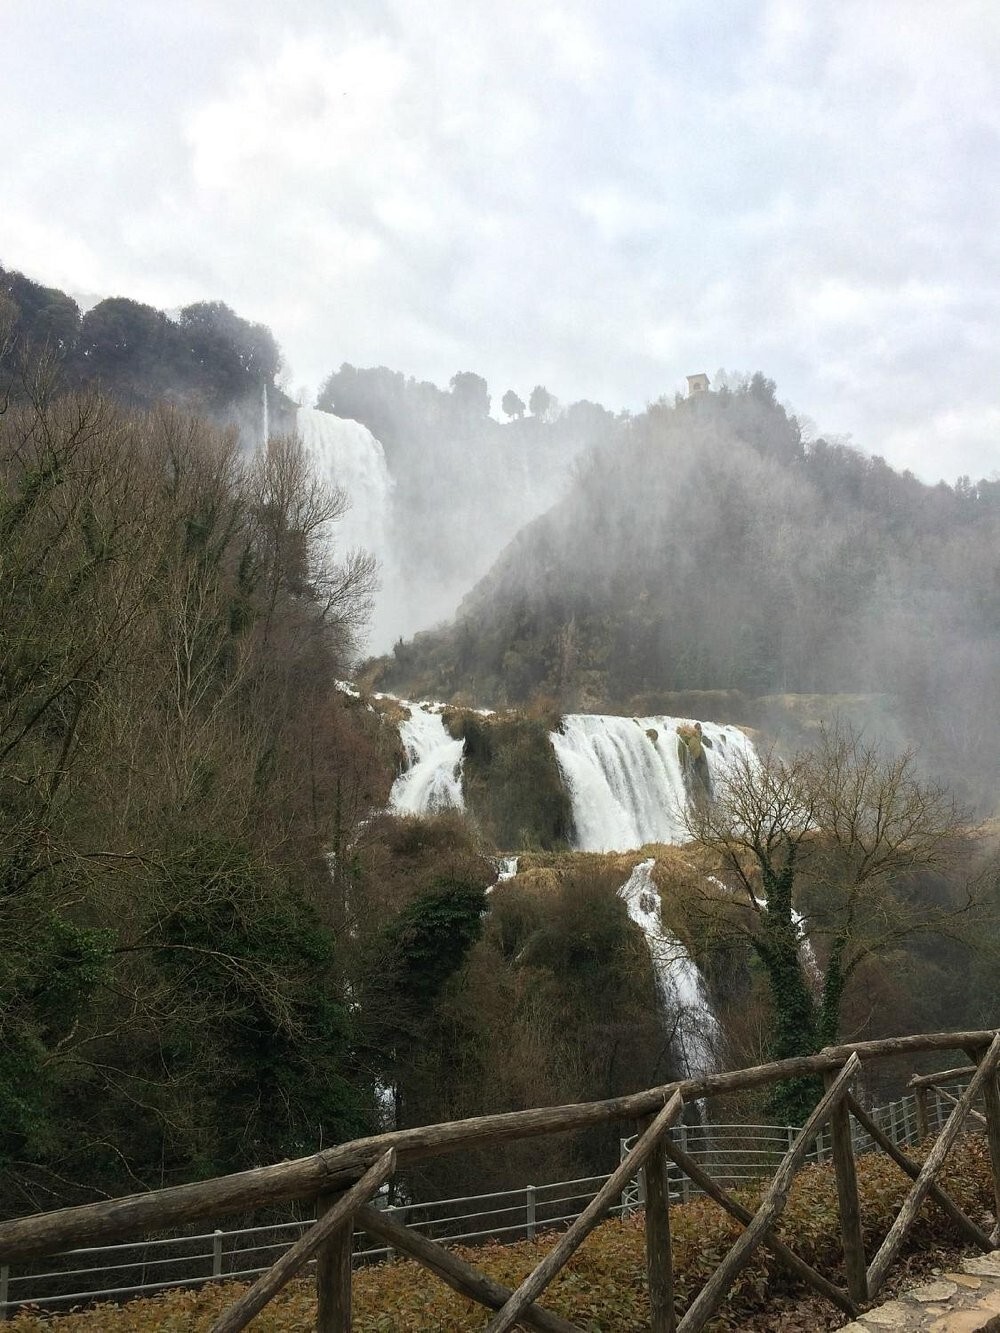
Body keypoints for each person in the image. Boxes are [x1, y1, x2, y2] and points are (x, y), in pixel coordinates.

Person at [676, 721, 713, 799]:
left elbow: (686, 752)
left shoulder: (693, 738)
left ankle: (709, 797)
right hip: (698, 761)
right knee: (705, 782)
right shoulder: (696, 738)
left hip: (695, 762)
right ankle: (709, 797)